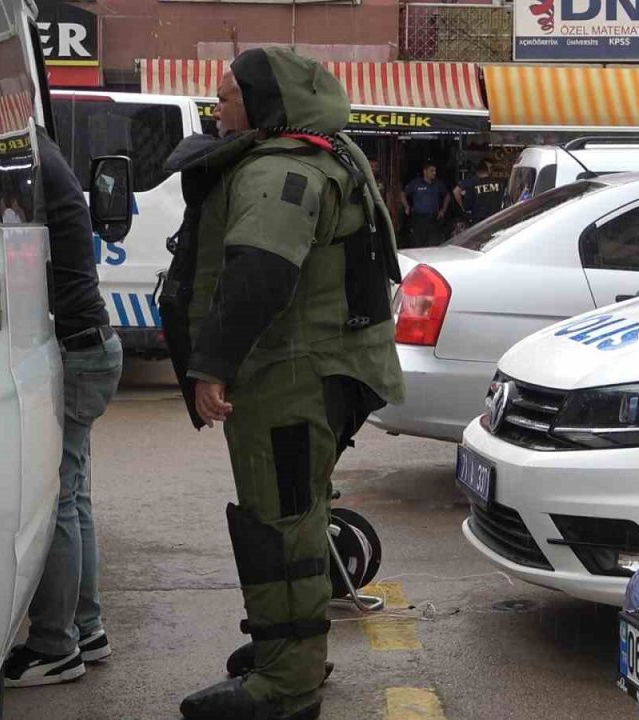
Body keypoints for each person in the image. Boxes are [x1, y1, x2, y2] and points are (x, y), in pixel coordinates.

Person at [160, 48, 404, 720]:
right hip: (321, 370)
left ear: (269, 103)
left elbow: (260, 273)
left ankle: (287, 687)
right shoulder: (331, 152)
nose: (217, 109)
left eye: (228, 98)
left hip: (290, 378)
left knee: (281, 526)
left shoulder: (282, 170)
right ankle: (288, 650)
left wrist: (212, 365)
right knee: (299, 514)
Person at [2, 126, 124, 688]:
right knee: (74, 493)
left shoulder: (30, 164)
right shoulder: (50, 157)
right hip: (95, 344)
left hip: (79, 350)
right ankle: (88, 627)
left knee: (58, 501)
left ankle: (55, 645)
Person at [400, 162, 451, 248]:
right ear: (425, 172)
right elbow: (402, 194)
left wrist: (443, 210)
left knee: (433, 244)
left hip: (433, 218)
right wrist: (406, 206)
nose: (434, 173)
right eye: (432, 171)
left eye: (435, 171)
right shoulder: (416, 183)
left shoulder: (438, 184)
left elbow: (447, 195)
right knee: (418, 244)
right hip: (419, 219)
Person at [453, 160, 503, 227]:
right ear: (487, 170)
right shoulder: (498, 183)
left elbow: (466, 204)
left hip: (478, 223)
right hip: (495, 220)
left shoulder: (473, 183)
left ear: (477, 171)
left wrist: (462, 206)